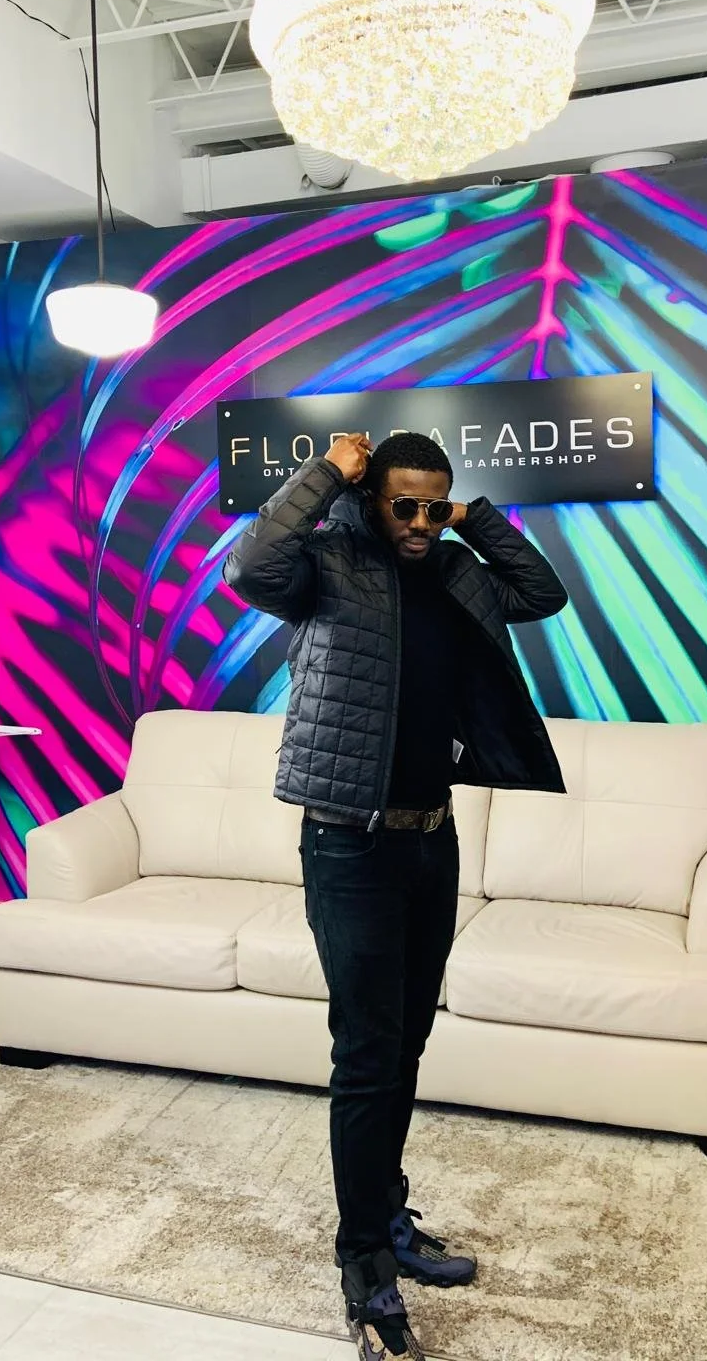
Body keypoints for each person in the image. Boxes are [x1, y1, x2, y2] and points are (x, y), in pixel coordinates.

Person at [225, 431, 568, 1361]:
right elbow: (251, 566)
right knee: (369, 1054)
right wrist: (330, 473)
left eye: (433, 505)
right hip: (350, 843)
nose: (417, 523)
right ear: (373, 499)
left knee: (406, 1042)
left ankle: (386, 1215)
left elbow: (544, 592)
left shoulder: (458, 569)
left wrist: (471, 520)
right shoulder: (327, 563)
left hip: (432, 841)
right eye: (402, 504)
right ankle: (364, 1257)